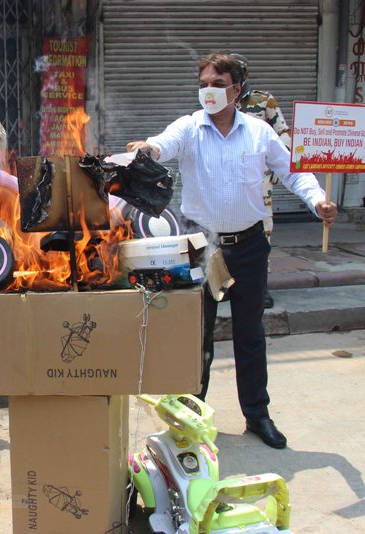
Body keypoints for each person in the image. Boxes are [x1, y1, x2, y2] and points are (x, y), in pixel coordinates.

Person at [126, 52, 337, 450]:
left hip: (249, 246)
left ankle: (257, 415)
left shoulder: (258, 132)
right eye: (204, 83)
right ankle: (192, 416)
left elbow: (293, 170)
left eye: (218, 85)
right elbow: (162, 145)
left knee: (250, 334)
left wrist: (318, 202)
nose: (209, 91)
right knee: (197, 337)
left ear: (237, 91)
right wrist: (147, 148)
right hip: (199, 247)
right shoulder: (189, 127)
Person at [232, 53, 292, 309]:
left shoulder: (263, 101)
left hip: (260, 181)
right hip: (228, 179)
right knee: (226, 232)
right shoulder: (218, 102)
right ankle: (225, 285)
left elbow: (283, 135)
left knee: (262, 233)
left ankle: (260, 288)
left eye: (237, 74)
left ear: (245, 76)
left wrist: (277, 171)